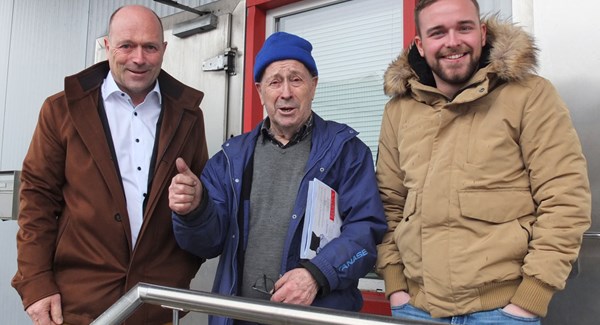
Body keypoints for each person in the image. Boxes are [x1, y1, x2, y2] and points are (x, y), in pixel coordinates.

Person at [375, 0, 591, 324]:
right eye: (437, 32)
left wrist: (529, 300)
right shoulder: (398, 111)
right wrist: (395, 287)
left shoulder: (530, 95)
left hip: (502, 312)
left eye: (464, 27)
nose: (453, 42)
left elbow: (565, 199)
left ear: (482, 31)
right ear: (420, 44)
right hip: (415, 308)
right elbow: (388, 205)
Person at [169, 31, 387, 325]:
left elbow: (365, 231)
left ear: (314, 85)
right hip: (239, 319)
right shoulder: (231, 159)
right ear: (260, 91)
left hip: (317, 319)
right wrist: (195, 210)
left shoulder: (346, 151)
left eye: (296, 79)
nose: (286, 92)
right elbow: (207, 243)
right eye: (275, 81)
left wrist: (317, 274)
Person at [12, 5, 208, 325]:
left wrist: (196, 203)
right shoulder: (61, 111)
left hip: (155, 303)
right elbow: (37, 200)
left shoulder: (188, 116)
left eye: (150, 47)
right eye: (126, 45)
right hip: (79, 303)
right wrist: (35, 282)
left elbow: (200, 204)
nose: (139, 58)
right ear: (107, 46)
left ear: (164, 49)